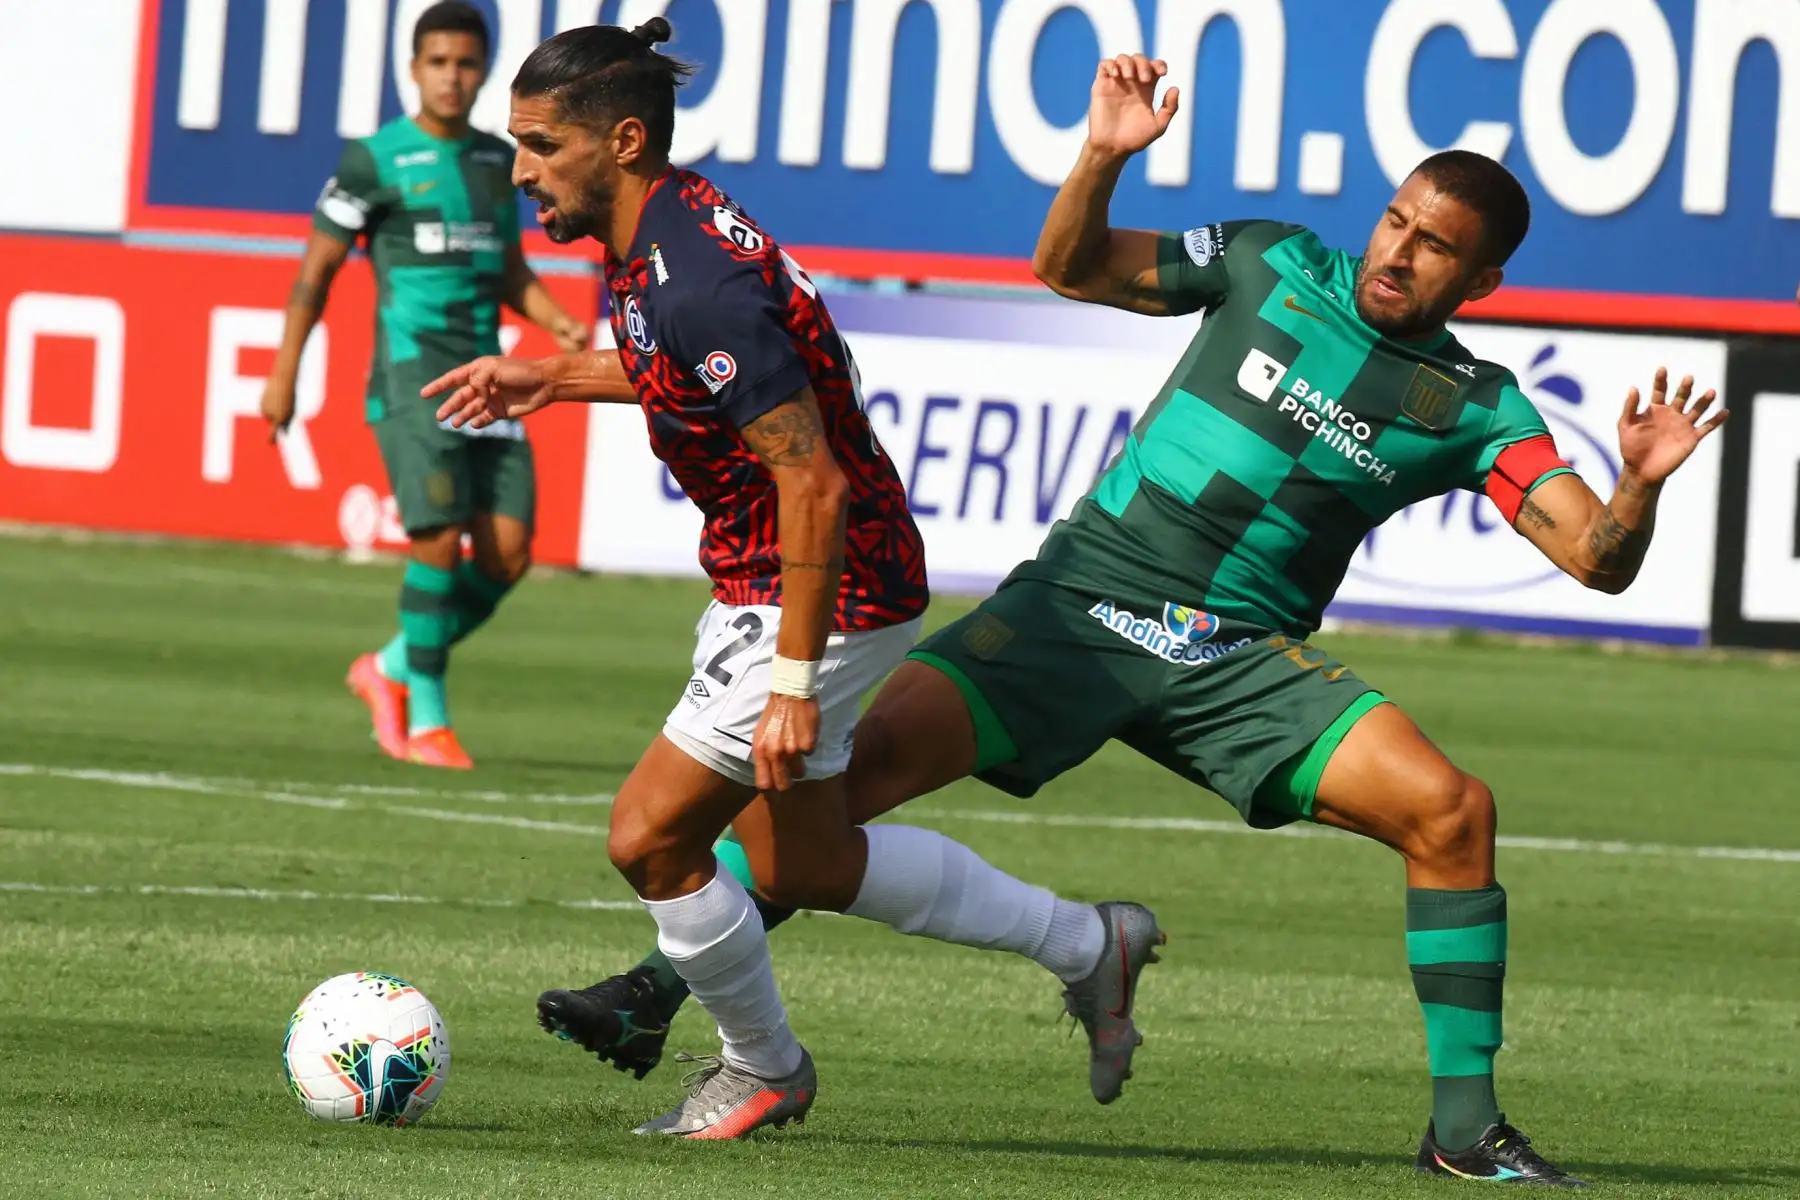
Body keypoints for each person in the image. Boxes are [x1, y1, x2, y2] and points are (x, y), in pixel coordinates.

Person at [441, 51, 1726, 1185]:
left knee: (1456, 812)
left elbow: (1596, 560)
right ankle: (665, 994)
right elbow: (1069, 266)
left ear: (1483, 278)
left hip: (1240, 660)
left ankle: (1464, 1129)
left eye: (1434, 246)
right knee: (822, 806)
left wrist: (1634, 486)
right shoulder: (1275, 262)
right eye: (1396, 220)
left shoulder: (1480, 405)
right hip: (1082, 602)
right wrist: (1101, 162)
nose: (1397, 252)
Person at [430, 21, 1166, 1139]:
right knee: (805, 858)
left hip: (821, 579)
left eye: (539, 144)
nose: (522, 168)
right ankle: (1086, 943)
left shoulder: (698, 281)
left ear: (621, 141)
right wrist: (557, 375)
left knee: (649, 839)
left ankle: (761, 1067)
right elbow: (682, 369)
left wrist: (791, 679)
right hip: (803, 571)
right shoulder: (661, 231)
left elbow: (809, 479)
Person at [262, 1, 590, 770]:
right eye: (438, 62)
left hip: (490, 379)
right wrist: (284, 375)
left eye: (466, 63)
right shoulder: (372, 161)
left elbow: (507, 266)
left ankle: (390, 667)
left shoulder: (494, 160)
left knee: (508, 555)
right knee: (437, 537)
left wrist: (556, 321)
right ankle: (427, 720)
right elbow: (314, 274)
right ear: (413, 69)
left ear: (484, 71)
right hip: (414, 379)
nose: (452, 76)